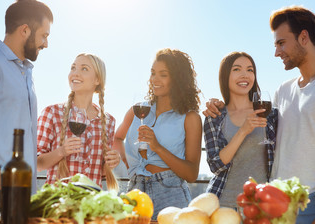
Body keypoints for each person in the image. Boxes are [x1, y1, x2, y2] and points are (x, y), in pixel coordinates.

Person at [203, 6, 315, 223]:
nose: (276, 52)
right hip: (272, 202)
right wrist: (217, 104)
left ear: (303, 37)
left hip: (311, 201)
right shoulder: (283, 90)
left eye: (281, 43)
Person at [0, 0, 53, 214]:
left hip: (21, 194)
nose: (46, 44)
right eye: (44, 35)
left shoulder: (25, 73)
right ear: (25, 30)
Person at [114, 48, 202, 220]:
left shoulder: (190, 118)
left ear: (178, 79)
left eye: (163, 74)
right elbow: (117, 138)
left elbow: (191, 174)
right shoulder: (137, 110)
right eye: (153, 73)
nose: (155, 79)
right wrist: (127, 164)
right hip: (134, 192)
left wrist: (157, 147)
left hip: (170, 195)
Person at [204, 51, 278, 209]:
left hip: (261, 206)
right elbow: (216, 165)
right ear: (225, 76)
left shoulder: (270, 114)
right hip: (223, 204)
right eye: (236, 69)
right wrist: (243, 131)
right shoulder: (215, 116)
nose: (245, 75)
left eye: (250, 70)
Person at [37, 53, 120, 190]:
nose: (75, 73)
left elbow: (100, 171)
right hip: (59, 200)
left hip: (92, 203)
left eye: (84, 69)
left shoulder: (108, 121)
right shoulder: (52, 113)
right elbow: (38, 163)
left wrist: (112, 162)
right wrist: (61, 151)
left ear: (97, 80)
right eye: (73, 68)